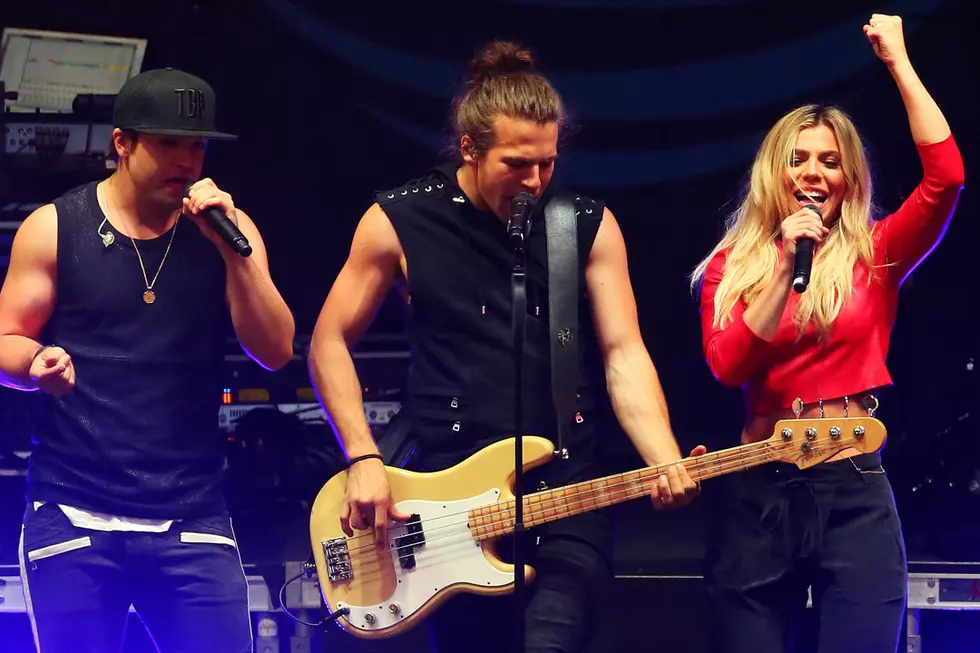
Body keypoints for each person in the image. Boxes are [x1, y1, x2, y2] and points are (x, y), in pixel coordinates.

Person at [308, 41, 704, 653]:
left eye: (547, 163)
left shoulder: (586, 224)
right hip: (447, 502)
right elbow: (328, 341)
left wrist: (663, 456)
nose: (535, 181)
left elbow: (624, 352)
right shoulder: (398, 220)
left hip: (568, 490)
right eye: (517, 164)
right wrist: (362, 457)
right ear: (469, 148)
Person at [690, 15, 964, 653]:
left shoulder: (877, 254)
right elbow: (727, 366)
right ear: (774, 172)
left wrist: (897, 61)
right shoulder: (730, 267)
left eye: (831, 162)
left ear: (849, 178)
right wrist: (784, 268)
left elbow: (946, 178)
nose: (815, 173)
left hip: (853, 490)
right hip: (760, 491)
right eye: (800, 159)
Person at [0, 68, 295, 653]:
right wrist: (36, 362)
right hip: (73, 506)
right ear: (122, 143)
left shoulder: (227, 233)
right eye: (168, 143)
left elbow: (275, 350)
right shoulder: (56, 227)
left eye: (196, 145)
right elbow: (6, 336)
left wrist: (234, 254)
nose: (186, 160)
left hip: (191, 510)